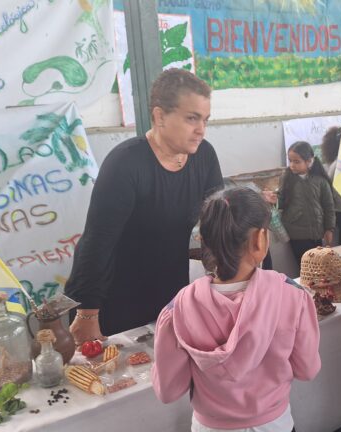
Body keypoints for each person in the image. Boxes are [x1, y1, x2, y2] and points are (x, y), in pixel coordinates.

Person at [65, 69, 223, 342]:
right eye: (192, 119)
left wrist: (224, 280)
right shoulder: (126, 164)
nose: (201, 130)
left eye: (205, 120)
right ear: (159, 116)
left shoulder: (204, 157)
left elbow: (219, 225)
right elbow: (96, 242)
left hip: (168, 297)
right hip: (114, 302)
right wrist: (88, 314)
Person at [152, 187, 321, 432]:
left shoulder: (179, 308)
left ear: (205, 240)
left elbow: (168, 391)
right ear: (259, 239)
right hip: (274, 424)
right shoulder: (291, 296)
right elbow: (307, 370)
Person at [269, 141, 335, 266]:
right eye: (290, 161)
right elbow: (282, 200)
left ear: (309, 161)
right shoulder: (286, 178)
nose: (292, 165)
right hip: (296, 234)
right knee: (304, 267)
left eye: (297, 161)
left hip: (317, 233)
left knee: (319, 266)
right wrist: (275, 200)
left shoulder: (320, 181)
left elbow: (329, 207)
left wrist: (329, 229)